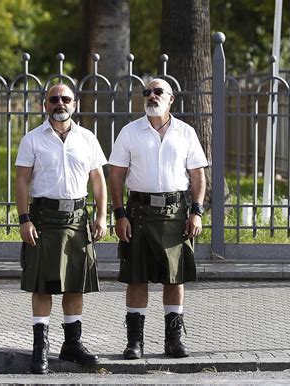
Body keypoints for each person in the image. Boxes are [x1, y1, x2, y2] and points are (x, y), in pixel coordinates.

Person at [108, 78, 207, 359]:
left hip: (176, 213)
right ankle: (134, 343)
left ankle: (173, 341)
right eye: (147, 93)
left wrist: (196, 212)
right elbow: (115, 175)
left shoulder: (186, 133)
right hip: (138, 213)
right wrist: (119, 215)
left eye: (158, 92)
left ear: (171, 99)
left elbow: (198, 174)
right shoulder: (130, 132)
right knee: (137, 279)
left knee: (174, 280)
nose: (151, 96)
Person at [15, 83, 107, 374]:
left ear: (74, 104)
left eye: (65, 99)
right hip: (43, 219)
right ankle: (40, 349)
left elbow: (98, 181)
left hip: (78, 218)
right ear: (45, 104)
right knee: (42, 285)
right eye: (54, 99)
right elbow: (21, 181)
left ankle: (72, 345)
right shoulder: (32, 139)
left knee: (75, 284)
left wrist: (102, 217)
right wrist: (24, 218)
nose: (60, 103)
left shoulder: (87, 138)